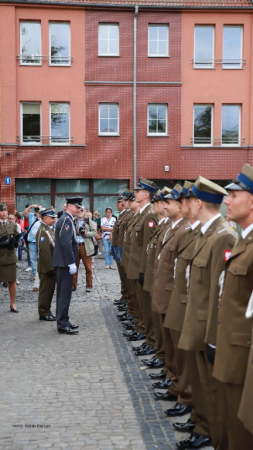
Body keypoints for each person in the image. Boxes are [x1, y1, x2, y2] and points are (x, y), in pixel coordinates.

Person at [178, 176, 237, 450]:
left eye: (188, 200)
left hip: (207, 325)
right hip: (196, 320)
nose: (185, 205)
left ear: (198, 202)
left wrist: (214, 335)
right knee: (201, 385)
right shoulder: (206, 232)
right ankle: (203, 425)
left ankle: (213, 434)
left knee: (211, 388)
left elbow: (220, 292)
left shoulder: (223, 235)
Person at [213, 164, 253, 450]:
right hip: (232, 352)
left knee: (241, 436)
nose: (227, 200)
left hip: (244, 359)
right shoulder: (243, 239)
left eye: (234, 194)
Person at [52, 197, 83, 335]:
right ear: (70, 206)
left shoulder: (68, 219)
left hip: (63, 263)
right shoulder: (66, 220)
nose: (79, 210)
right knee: (64, 295)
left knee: (64, 294)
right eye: (77, 207)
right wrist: (71, 262)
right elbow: (66, 243)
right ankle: (63, 323)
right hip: (64, 263)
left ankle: (63, 321)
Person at [36, 207, 57, 322]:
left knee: (50, 290)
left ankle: (47, 310)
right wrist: (49, 267)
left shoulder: (49, 229)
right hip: (46, 267)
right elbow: (44, 252)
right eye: (51, 218)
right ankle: (43, 312)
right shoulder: (43, 231)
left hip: (50, 266)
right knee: (45, 291)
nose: (54, 220)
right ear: (44, 218)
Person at [0, 202, 20, 312]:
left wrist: (16, 242)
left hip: (10, 255)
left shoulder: (12, 224)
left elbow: (17, 238)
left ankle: (12, 304)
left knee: (12, 280)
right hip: (0, 257)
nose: (4, 213)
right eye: (2, 211)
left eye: (6, 211)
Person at [72, 207, 96, 293]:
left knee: (88, 268)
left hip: (85, 246)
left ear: (84, 211)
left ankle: (89, 285)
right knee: (74, 267)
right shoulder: (72, 220)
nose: (80, 212)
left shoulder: (88, 220)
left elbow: (94, 232)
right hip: (75, 246)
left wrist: (86, 234)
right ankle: (73, 285)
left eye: (81, 210)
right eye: (78, 210)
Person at [22, 204, 42, 291]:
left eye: (39, 211)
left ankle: (41, 273)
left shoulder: (44, 218)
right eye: (37, 211)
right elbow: (24, 213)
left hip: (41, 241)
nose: (38, 213)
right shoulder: (31, 216)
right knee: (33, 258)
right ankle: (34, 273)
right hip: (32, 241)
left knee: (41, 258)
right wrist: (31, 206)